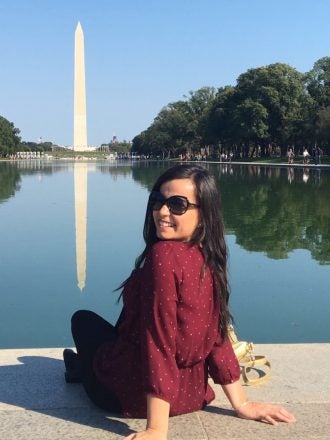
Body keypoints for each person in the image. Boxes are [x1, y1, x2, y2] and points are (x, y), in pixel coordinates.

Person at [64, 164, 295, 440]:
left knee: (83, 320)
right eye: (158, 201)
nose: (162, 212)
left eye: (177, 204)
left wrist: (156, 429)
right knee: (121, 324)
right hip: (192, 395)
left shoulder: (163, 256)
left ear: (204, 212)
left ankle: (81, 368)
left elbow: (158, 341)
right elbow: (217, 335)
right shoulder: (208, 257)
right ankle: (80, 366)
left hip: (131, 396)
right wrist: (241, 404)